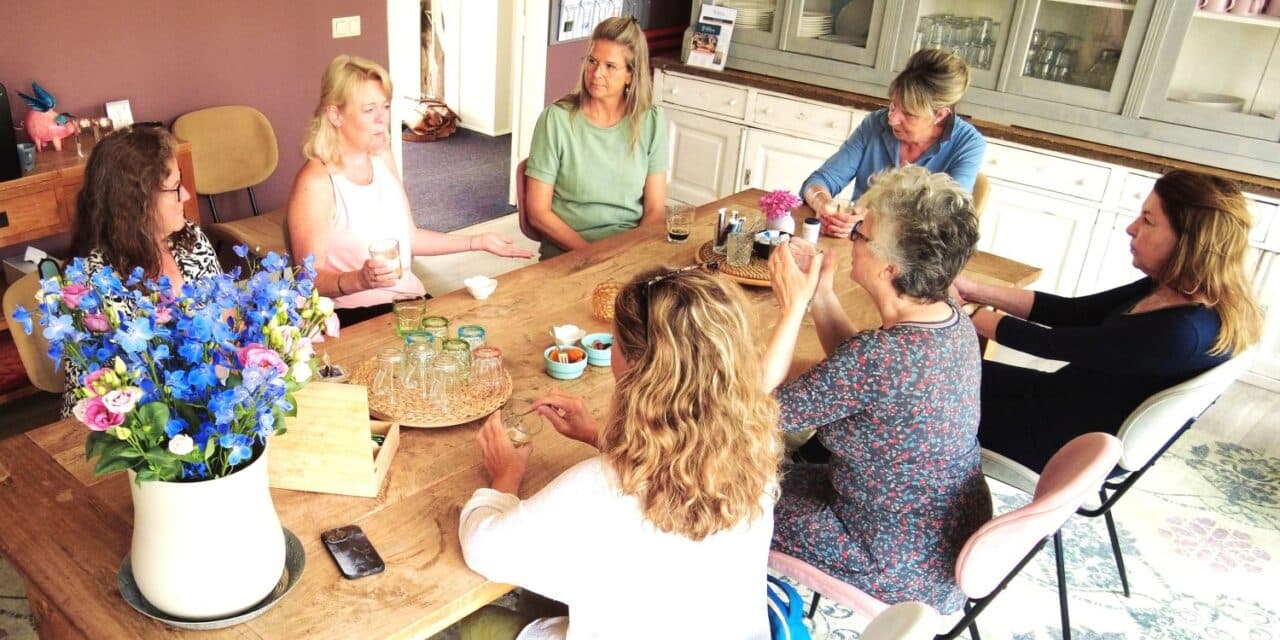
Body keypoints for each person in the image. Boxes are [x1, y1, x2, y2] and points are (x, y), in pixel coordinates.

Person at [458, 268, 781, 639]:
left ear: (634, 366)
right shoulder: (757, 444)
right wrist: (601, 435)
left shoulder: (597, 486)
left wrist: (504, 477)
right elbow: (676, 471)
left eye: (614, 344)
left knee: (476, 626)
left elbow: (483, 550)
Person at [764, 166, 990, 613]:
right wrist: (823, 294)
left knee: (713, 494)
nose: (851, 238)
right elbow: (861, 371)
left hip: (888, 557)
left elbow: (751, 416)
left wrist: (792, 308)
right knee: (764, 471)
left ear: (889, 268)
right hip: (938, 536)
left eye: (861, 235)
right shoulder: (952, 318)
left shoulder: (879, 357)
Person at [955, 169, 1263, 472]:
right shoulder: (1180, 287)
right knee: (933, 374)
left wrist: (961, 310)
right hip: (1060, 401)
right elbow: (1071, 312)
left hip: (1064, 443)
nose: (1132, 227)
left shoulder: (1180, 331)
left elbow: (1050, 344)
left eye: (1148, 220)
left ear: (1189, 241)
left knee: (916, 390)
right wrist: (971, 288)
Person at [288, 55, 532, 327]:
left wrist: (477, 241)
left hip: (408, 301)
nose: (383, 119)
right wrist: (359, 279)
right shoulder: (316, 181)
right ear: (335, 115)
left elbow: (410, 238)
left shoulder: (381, 157)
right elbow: (306, 280)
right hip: (352, 317)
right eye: (369, 110)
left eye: (386, 107)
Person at [62, 125, 221, 414]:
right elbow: (110, 392)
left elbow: (225, 318)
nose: (185, 196)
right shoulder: (93, 281)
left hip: (197, 406)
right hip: (125, 425)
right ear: (138, 202)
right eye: (174, 188)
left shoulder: (191, 241)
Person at [801, 48, 986, 239]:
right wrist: (823, 204)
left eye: (908, 114)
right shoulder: (874, 124)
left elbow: (947, 218)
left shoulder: (968, 144)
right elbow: (820, 181)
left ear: (939, 115)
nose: (892, 119)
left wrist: (869, 220)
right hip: (857, 244)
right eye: (893, 105)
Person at [525, 17, 668, 259]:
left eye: (610, 66)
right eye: (592, 61)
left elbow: (655, 210)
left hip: (628, 250)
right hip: (568, 253)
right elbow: (538, 212)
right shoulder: (556, 120)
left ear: (630, 75)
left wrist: (630, 255)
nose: (596, 73)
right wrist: (596, 256)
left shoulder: (651, 121)